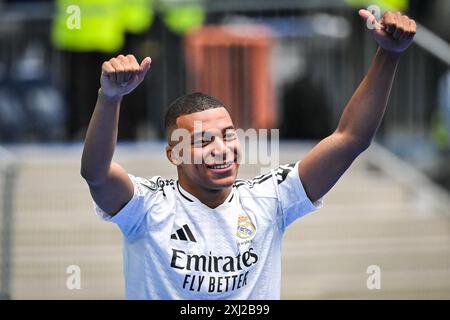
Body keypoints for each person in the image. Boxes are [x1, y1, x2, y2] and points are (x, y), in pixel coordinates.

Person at [81, 10, 416, 299]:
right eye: (203, 140)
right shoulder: (148, 206)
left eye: (228, 135)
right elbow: (96, 173)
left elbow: (350, 138)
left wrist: (389, 55)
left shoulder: (270, 198)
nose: (221, 149)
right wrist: (109, 99)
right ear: (175, 154)